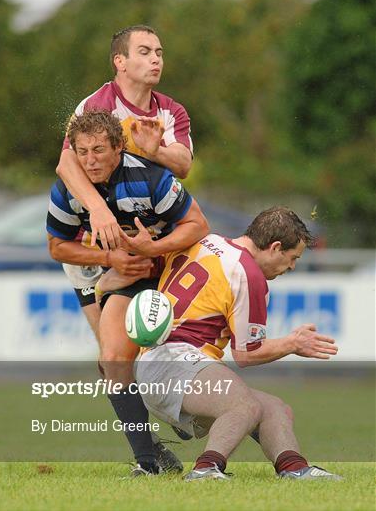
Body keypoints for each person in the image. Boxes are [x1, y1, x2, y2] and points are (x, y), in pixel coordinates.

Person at [99, 206, 342, 481]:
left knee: (275, 408)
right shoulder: (248, 274)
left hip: (159, 364)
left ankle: (295, 468)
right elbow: (247, 354)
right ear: (275, 247)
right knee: (244, 405)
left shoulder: (206, 241)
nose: (292, 267)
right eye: (292, 258)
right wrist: (293, 343)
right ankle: (205, 469)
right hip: (176, 362)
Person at [46, 109, 209, 475]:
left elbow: (198, 224)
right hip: (129, 277)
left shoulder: (150, 177)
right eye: (82, 151)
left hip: (173, 273)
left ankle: (251, 436)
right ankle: (148, 464)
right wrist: (111, 257)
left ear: (119, 147)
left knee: (184, 367)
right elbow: (57, 247)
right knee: (113, 360)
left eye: (99, 150)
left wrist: (150, 249)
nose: (90, 160)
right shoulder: (70, 190)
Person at [56, 24, 193, 336]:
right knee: (110, 355)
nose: (155, 59)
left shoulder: (171, 111)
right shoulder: (99, 104)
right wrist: (98, 210)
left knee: (145, 342)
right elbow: (66, 163)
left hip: (147, 239)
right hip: (92, 238)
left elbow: (183, 164)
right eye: (144, 52)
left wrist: (154, 150)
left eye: (159, 53)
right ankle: (103, 287)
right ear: (120, 61)